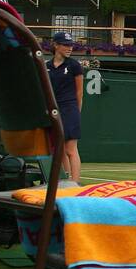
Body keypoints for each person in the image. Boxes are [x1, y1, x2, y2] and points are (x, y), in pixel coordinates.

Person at [47, 32, 85, 184]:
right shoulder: (47, 66)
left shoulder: (74, 65)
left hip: (69, 109)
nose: (70, 48)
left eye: (71, 45)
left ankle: (75, 183)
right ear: (55, 45)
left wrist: (76, 112)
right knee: (60, 150)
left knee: (70, 149)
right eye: (66, 45)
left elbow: (79, 92)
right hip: (54, 111)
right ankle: (66, 181)